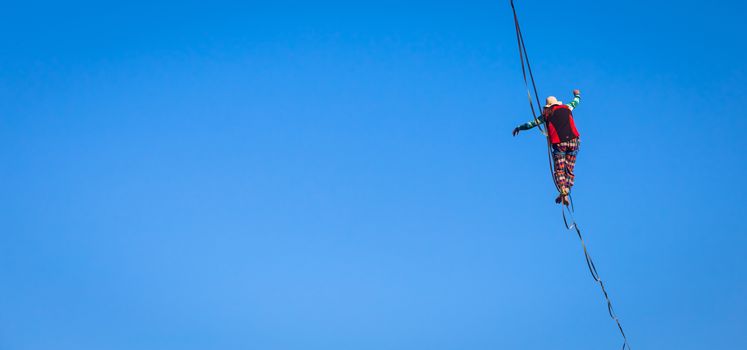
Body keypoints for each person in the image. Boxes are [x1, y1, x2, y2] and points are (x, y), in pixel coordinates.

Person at [513, 89, 581, 205]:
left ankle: (563, 190)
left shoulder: (546, 114)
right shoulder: (567, 107)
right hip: (574, 140)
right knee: (569, 169)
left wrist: (519, 127)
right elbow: (575, 102)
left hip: (560, 143)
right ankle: (566, 190)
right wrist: (577, 95)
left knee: (559, 170)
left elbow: (531, 124)